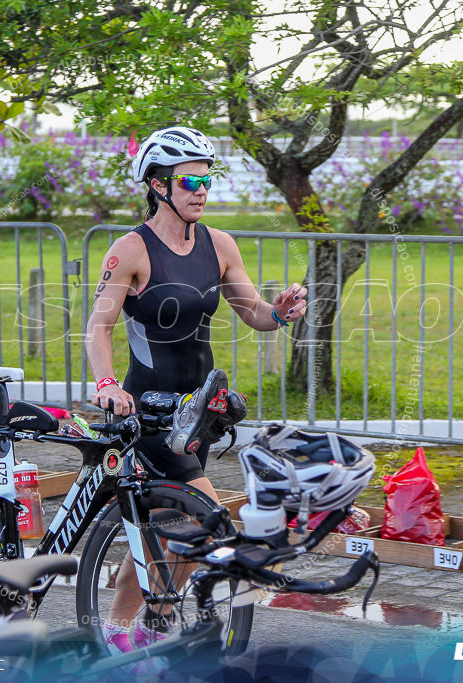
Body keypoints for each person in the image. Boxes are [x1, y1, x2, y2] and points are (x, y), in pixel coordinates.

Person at [85, 126, 306, 652]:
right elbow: (99, 326)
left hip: (199, 413)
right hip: (151, 413)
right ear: (159, 185)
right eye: (189, 181)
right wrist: (107, 385)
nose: (201, 190)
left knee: (161, 533)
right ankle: (147, 629)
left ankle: (118, 635)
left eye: (207, 180)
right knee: (206, 522)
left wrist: (279, 312)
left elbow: (252, 311)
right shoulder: (130, 250)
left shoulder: (220, 244)